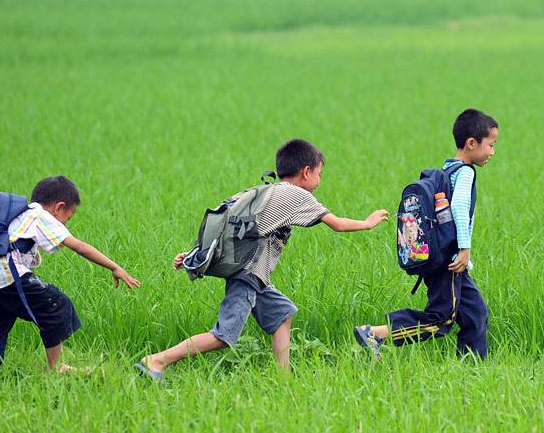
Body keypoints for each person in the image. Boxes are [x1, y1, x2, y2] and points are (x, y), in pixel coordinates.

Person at [137, 139, 389, 379]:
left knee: (282, 314)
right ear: (306, 171)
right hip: (248, 274)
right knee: (223, 335)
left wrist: (194, 255)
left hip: (254, 275)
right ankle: (158, 360)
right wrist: (368, 223)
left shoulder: (263, 191)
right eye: (319, 174)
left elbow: (223, 223)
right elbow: (337, 224)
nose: (319, 181)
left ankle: (283, 378)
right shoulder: (298, 195)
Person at [0, 175, 141, 379]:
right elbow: (79, 247)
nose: (66, 223)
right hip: (3, 275)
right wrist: (115, 267)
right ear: (58, 207)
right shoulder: (39, 214)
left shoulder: (16, 215)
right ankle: (56, 368)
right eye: (68, 217)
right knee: (55, 304)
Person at [355, 109, 498, 360]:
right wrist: (464, 248)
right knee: (439, 319)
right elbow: (460, 209)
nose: (492, 152)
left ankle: (472, 370)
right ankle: (376, 333)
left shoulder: (446, 169)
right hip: (450, 260)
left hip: (440, 255)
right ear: (471, 143)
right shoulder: (465, 172)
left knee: (476, 313)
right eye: (490, 145)